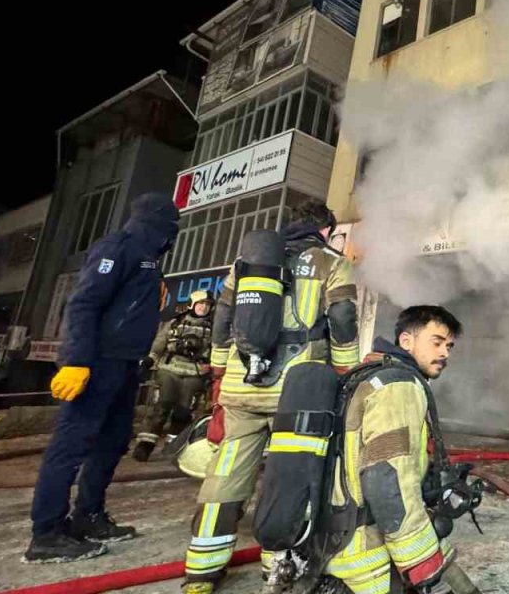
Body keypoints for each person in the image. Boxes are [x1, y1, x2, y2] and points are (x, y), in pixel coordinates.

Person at [183, 201, 359, 593]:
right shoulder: (331, 262)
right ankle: (277, 570)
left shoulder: (245, 263)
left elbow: (223, 317)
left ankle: (201, 572)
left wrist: (219, 369)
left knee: (227, 471)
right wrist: (346, 372)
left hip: (241, 385)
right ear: (326, 231)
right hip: (296, 394)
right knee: (288, 477)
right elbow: (343, 318)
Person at [24, 193, 180, 563]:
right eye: (172, 227)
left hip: (125, 365)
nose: (174, 235)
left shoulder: (148, 260)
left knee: (111, 444)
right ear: (158, 225)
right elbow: (83, 303)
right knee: (71, 446)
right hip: (97, 363)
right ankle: (46, 533)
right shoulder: (118, 248)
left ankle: (88, 516)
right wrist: (76, 360)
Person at [320, 305, 469, 594]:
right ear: (406, 341)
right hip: (366, 554)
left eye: (449, 346)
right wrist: (421, 563)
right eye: (436, 342)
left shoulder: (366, 375)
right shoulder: (398, 385)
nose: (445, 353)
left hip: (334, 538)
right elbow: (386, 477)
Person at [132, 289, 215, 462]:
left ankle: (174, 447)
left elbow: (217, 350)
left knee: (183, 412)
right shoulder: (176, 323)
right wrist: (149, 360)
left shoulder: (213, 327)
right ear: (192, 304)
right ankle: (145, 445)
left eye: (207, 305)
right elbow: (159, 343)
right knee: (162, 405)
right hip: (170, 370)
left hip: (195, 373)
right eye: (201, 304)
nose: (203, 308)